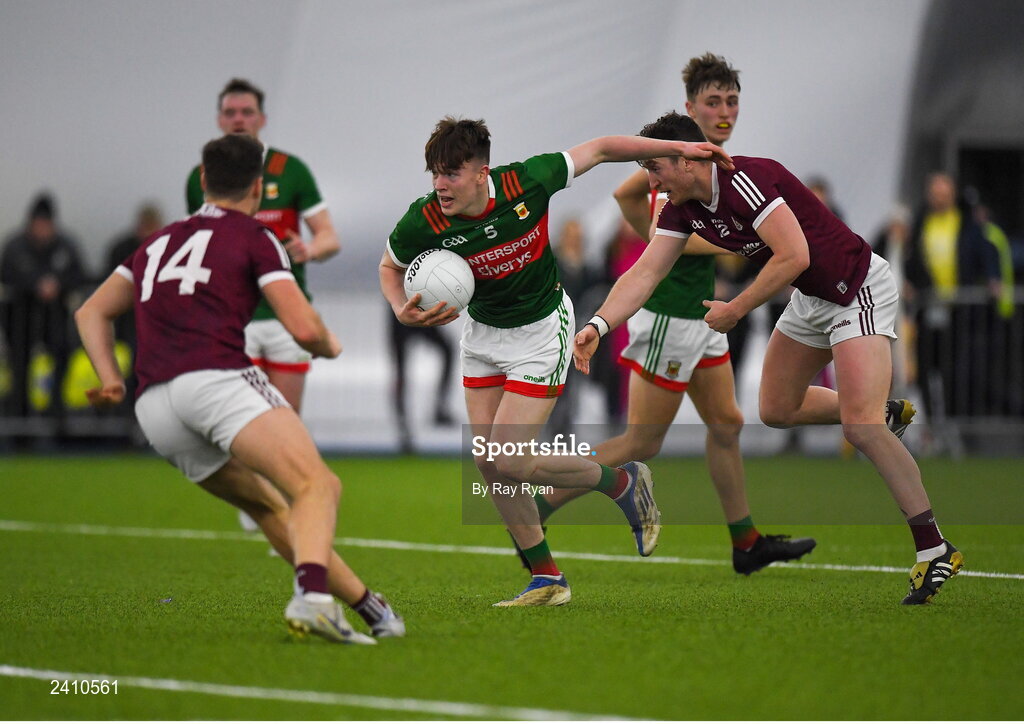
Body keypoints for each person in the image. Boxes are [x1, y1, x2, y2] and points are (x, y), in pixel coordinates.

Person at [574, 112, 963, 605]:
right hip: (810, 299)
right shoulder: (681, 207)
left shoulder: (745, 178)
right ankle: (880, 412)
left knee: (859, 428)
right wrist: (597, 325)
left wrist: (736, 308)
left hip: (856, 288)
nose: (650, 180)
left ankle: (934, 548)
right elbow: (645, 274)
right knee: (776, 410)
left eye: (654, 167)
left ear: (687, 158)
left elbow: (794, 254)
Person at [379, 116, 733, 606]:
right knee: (488, 464)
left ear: (482, 172)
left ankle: (621, 482)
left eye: (451, 174)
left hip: (542, 333)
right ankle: (547, 578)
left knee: (511, 458)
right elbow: (389, 267)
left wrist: (676, 146)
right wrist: (402, 308)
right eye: (435, 174)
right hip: (482, 336)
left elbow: (605, 148)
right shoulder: (424, 219)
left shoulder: (529, 180)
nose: (440, 185)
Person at [77, 134, 402, 643]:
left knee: (270, 505)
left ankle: (370, 608)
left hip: (154, 407)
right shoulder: (255, 237)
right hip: (214, 381)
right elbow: (302, 327)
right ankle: (314, 600)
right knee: (318, 486)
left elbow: (90, 310)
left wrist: (112, 379)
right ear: (259, 188)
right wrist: (328, 345)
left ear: (204, 180)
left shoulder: (156, 240)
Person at [531, 53, 816, 575]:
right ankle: (540, 505)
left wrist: (688, 240)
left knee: (727, 423)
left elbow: (630, 196)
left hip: (704, 318)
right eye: (713, 102)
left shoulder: (717, 167)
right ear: (691, 108)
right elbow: (644, 209)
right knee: (643, 442)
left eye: (732, 101)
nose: (725, 112)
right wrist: (711, 242)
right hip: (669, 318)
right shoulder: (677, 166)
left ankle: (746, 541)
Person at [186, 78, 340, 531]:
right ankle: (261, 499)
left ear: (262, 119)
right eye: (231, 112)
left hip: (287, 314)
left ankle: (284, 494)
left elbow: (329, 236)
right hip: (234, 317)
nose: (238, 119)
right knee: (245, 415)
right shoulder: (203, 175)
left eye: (246, 112)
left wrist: (310, 250)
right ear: (219, 119)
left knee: (286, 417)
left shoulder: (291, 170)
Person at [1, 192, 87, 421]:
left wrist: (57, 285)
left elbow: (79, 275)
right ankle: (19, 416)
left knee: (63, 354)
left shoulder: (66, 246)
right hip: (19, 322)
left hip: (54, 319)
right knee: (19, 365)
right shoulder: (15, 246)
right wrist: (35, 285)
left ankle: (55, 411)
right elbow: (7, 275)